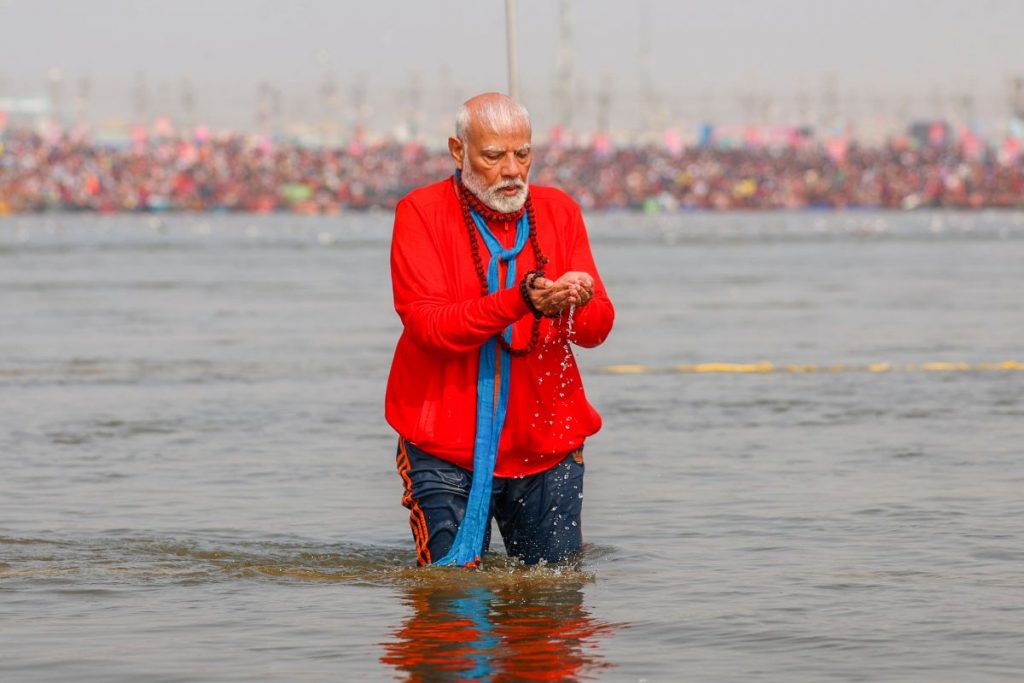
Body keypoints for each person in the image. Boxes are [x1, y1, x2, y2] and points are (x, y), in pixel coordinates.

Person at [386, 92, 614, 567]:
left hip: (547, 443)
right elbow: (430, 327)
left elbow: (595, 331)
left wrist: (577, 300)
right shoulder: (420, 212)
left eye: (523, 153)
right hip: (444, 446)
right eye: (494, 156)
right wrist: (522, 300)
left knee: (554, 610)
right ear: (458, 151)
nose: (512, 169)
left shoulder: (559, 211)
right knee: (451, 615)